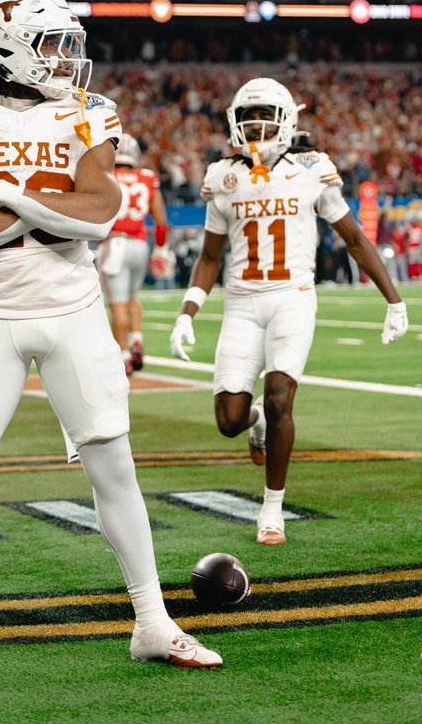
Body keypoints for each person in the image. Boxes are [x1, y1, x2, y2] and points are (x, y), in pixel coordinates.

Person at [0, 0, 221, 674]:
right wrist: (45, 203)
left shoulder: (89, 112)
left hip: (75, 311)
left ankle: (152, 621)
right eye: (53, 44)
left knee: (114, 466)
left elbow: (99, 210)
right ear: (5, 48)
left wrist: (10, 196)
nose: (67, 59)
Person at [169, 77, 408, 546]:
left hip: (292, 297)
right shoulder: (223, 177)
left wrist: (393, 300)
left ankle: (271, 509)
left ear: (286, 122)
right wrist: (186, 312)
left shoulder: (311, 169)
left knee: (280, 397)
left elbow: (355, 239)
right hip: (241, 302)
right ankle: (254, 424)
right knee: (229, 420)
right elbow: (210, 256)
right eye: (247, 118)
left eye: (265, 118)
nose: (256, 128)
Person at [98, 133, 167, 376]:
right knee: (132, 297)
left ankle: (123, 356)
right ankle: (136, 340)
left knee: (116, 303)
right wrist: (160, 248)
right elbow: (160, 221)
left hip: (115, 243)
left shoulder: (107, 176)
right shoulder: (147, 177)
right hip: (140, 244)